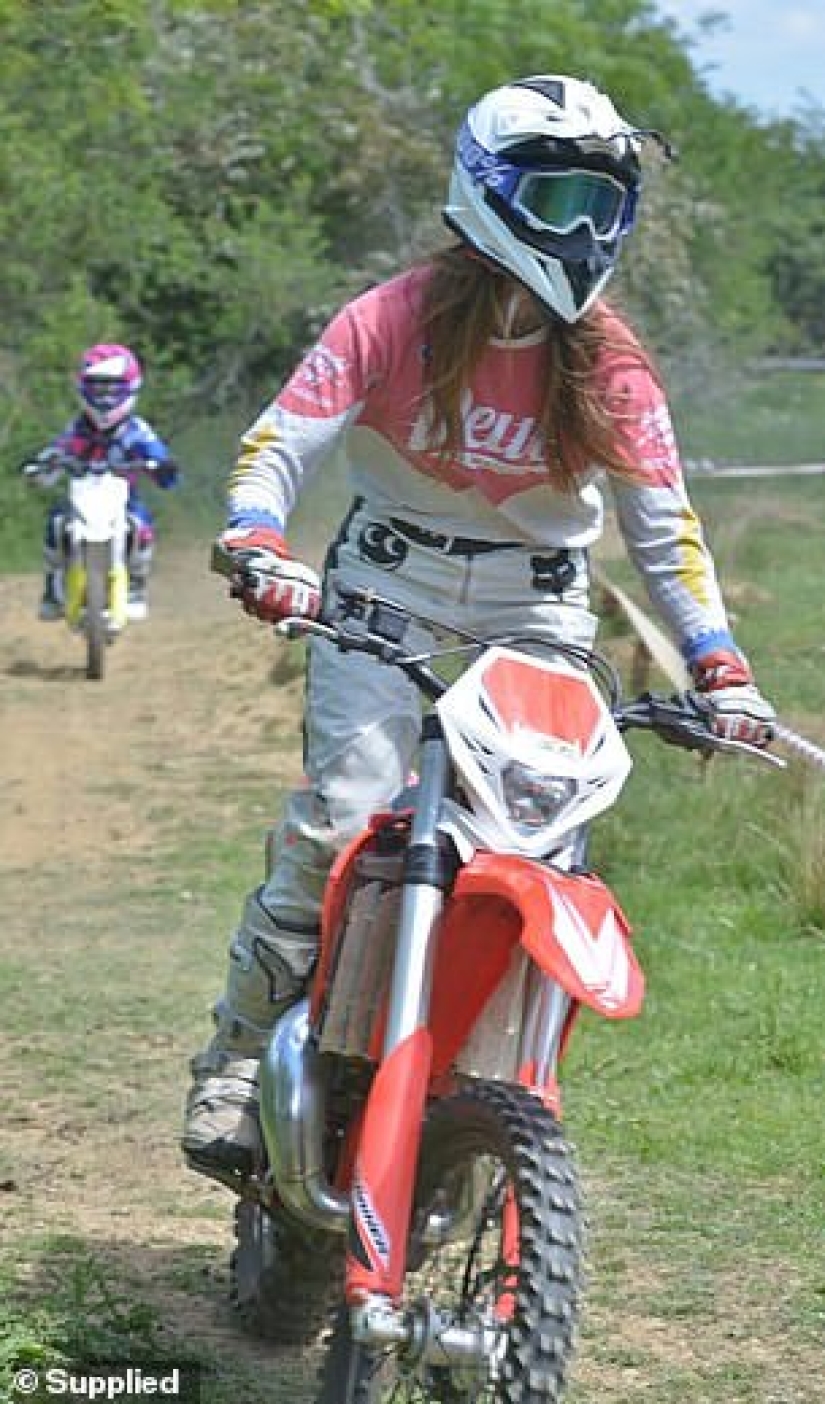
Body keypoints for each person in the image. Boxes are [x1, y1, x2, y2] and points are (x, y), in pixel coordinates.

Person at [182, 74, 776, 1182]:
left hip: (539, 611)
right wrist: (259, 541)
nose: (588, 232)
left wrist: (720, 665)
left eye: (609, 208)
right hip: (381, 590)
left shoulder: (611, 360)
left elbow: (666, 528)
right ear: (490, 192)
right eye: (561, 203)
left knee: (536, 846)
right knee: (344, 822)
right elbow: (281, 442)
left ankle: (486, 1092)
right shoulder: (392, 316)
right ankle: (232, 1059)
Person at [21, 343, 179, 622]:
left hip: (123, 498)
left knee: (140, 527)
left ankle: (136, 585)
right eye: (97, 388)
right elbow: (58, 450)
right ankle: (51, 586)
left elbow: (159, 456)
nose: (104, 396)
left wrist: (162, 467)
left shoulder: (136, 431)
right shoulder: (77, 429)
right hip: (80, 497)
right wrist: (44, 465)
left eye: (111, 388)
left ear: (129, 387)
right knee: (56, 524)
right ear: (84, 389)